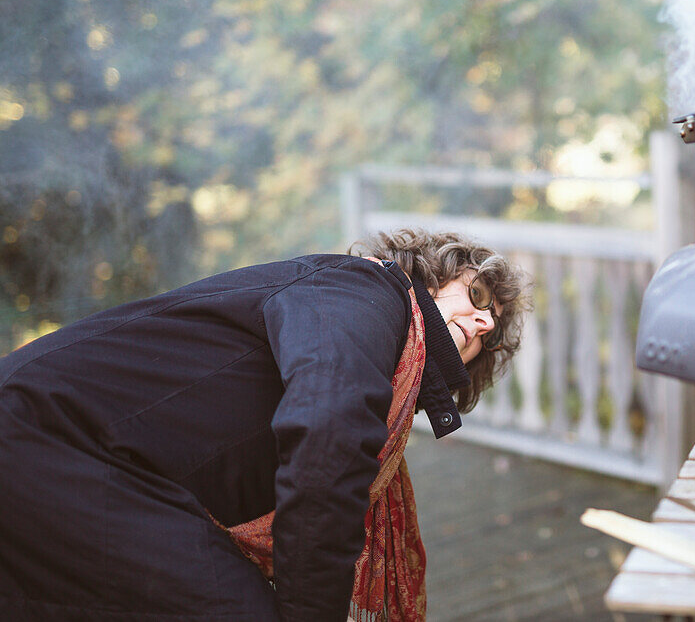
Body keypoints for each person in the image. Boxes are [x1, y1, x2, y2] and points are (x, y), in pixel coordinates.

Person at [0, 228, 529, 622]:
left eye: (491, 328)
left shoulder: (377, 336)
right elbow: (328, 434)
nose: (483, 322)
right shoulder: (366, 290)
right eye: (478, 297)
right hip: (49, 436)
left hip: (72, 455)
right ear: (432, 272)